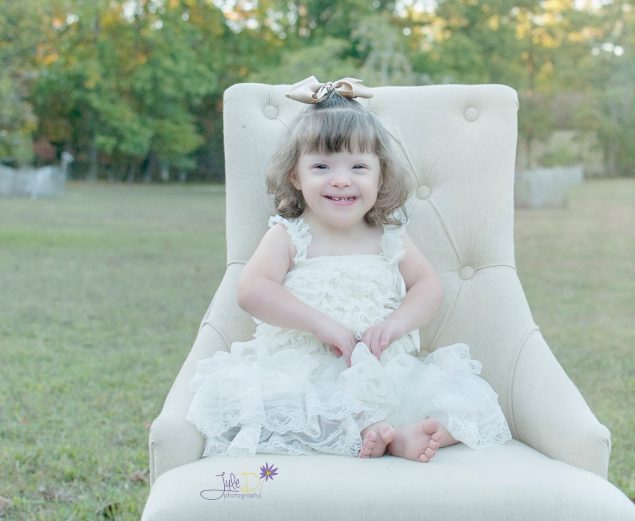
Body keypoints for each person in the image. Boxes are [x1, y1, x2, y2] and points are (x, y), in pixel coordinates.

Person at [185, 76, 511, 463]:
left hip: (381, 366)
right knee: (283, 407)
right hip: (304, 369)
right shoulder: (289, 236)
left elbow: (427, 286)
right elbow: (252, 290)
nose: (341, 179)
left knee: (459, 402)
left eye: (358, 166)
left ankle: (399, 433)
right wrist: (322, 325)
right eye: (321, 166)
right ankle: (373, 432)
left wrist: (396, 324)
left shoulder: (388, 236)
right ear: (295, 175)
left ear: (379, 176)